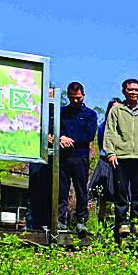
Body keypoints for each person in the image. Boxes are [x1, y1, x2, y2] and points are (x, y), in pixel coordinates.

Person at [102, 79, 138, 243]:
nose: (134, 92)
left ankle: (136, 223)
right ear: (124, 92)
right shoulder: (117, 111)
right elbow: (110, 132)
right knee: (121, 193)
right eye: (130, 89)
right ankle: (122, 223)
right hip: (121, 158)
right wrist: (110, 153)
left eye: (136, 90)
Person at [57, 81, 98, 236]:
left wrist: (69, 139)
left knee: (81, 190)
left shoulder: (90, 114)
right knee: (62, 189)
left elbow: (89, 135)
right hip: (63, 157)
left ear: (83, 96)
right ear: (68, 96)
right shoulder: (61, 113)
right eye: (72, 98)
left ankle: (81, 221)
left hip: (80, 157)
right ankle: (61, 220)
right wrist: (61, 137)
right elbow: (55, 129)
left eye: (78, 98)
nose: (75, 101)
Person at [88, 97, 122, 226]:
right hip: (105, 161)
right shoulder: (103, 127)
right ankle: (100, 223)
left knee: (120, 193)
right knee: (103, 195)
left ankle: (119, 223)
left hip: (121, 161)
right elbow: (101, 145)